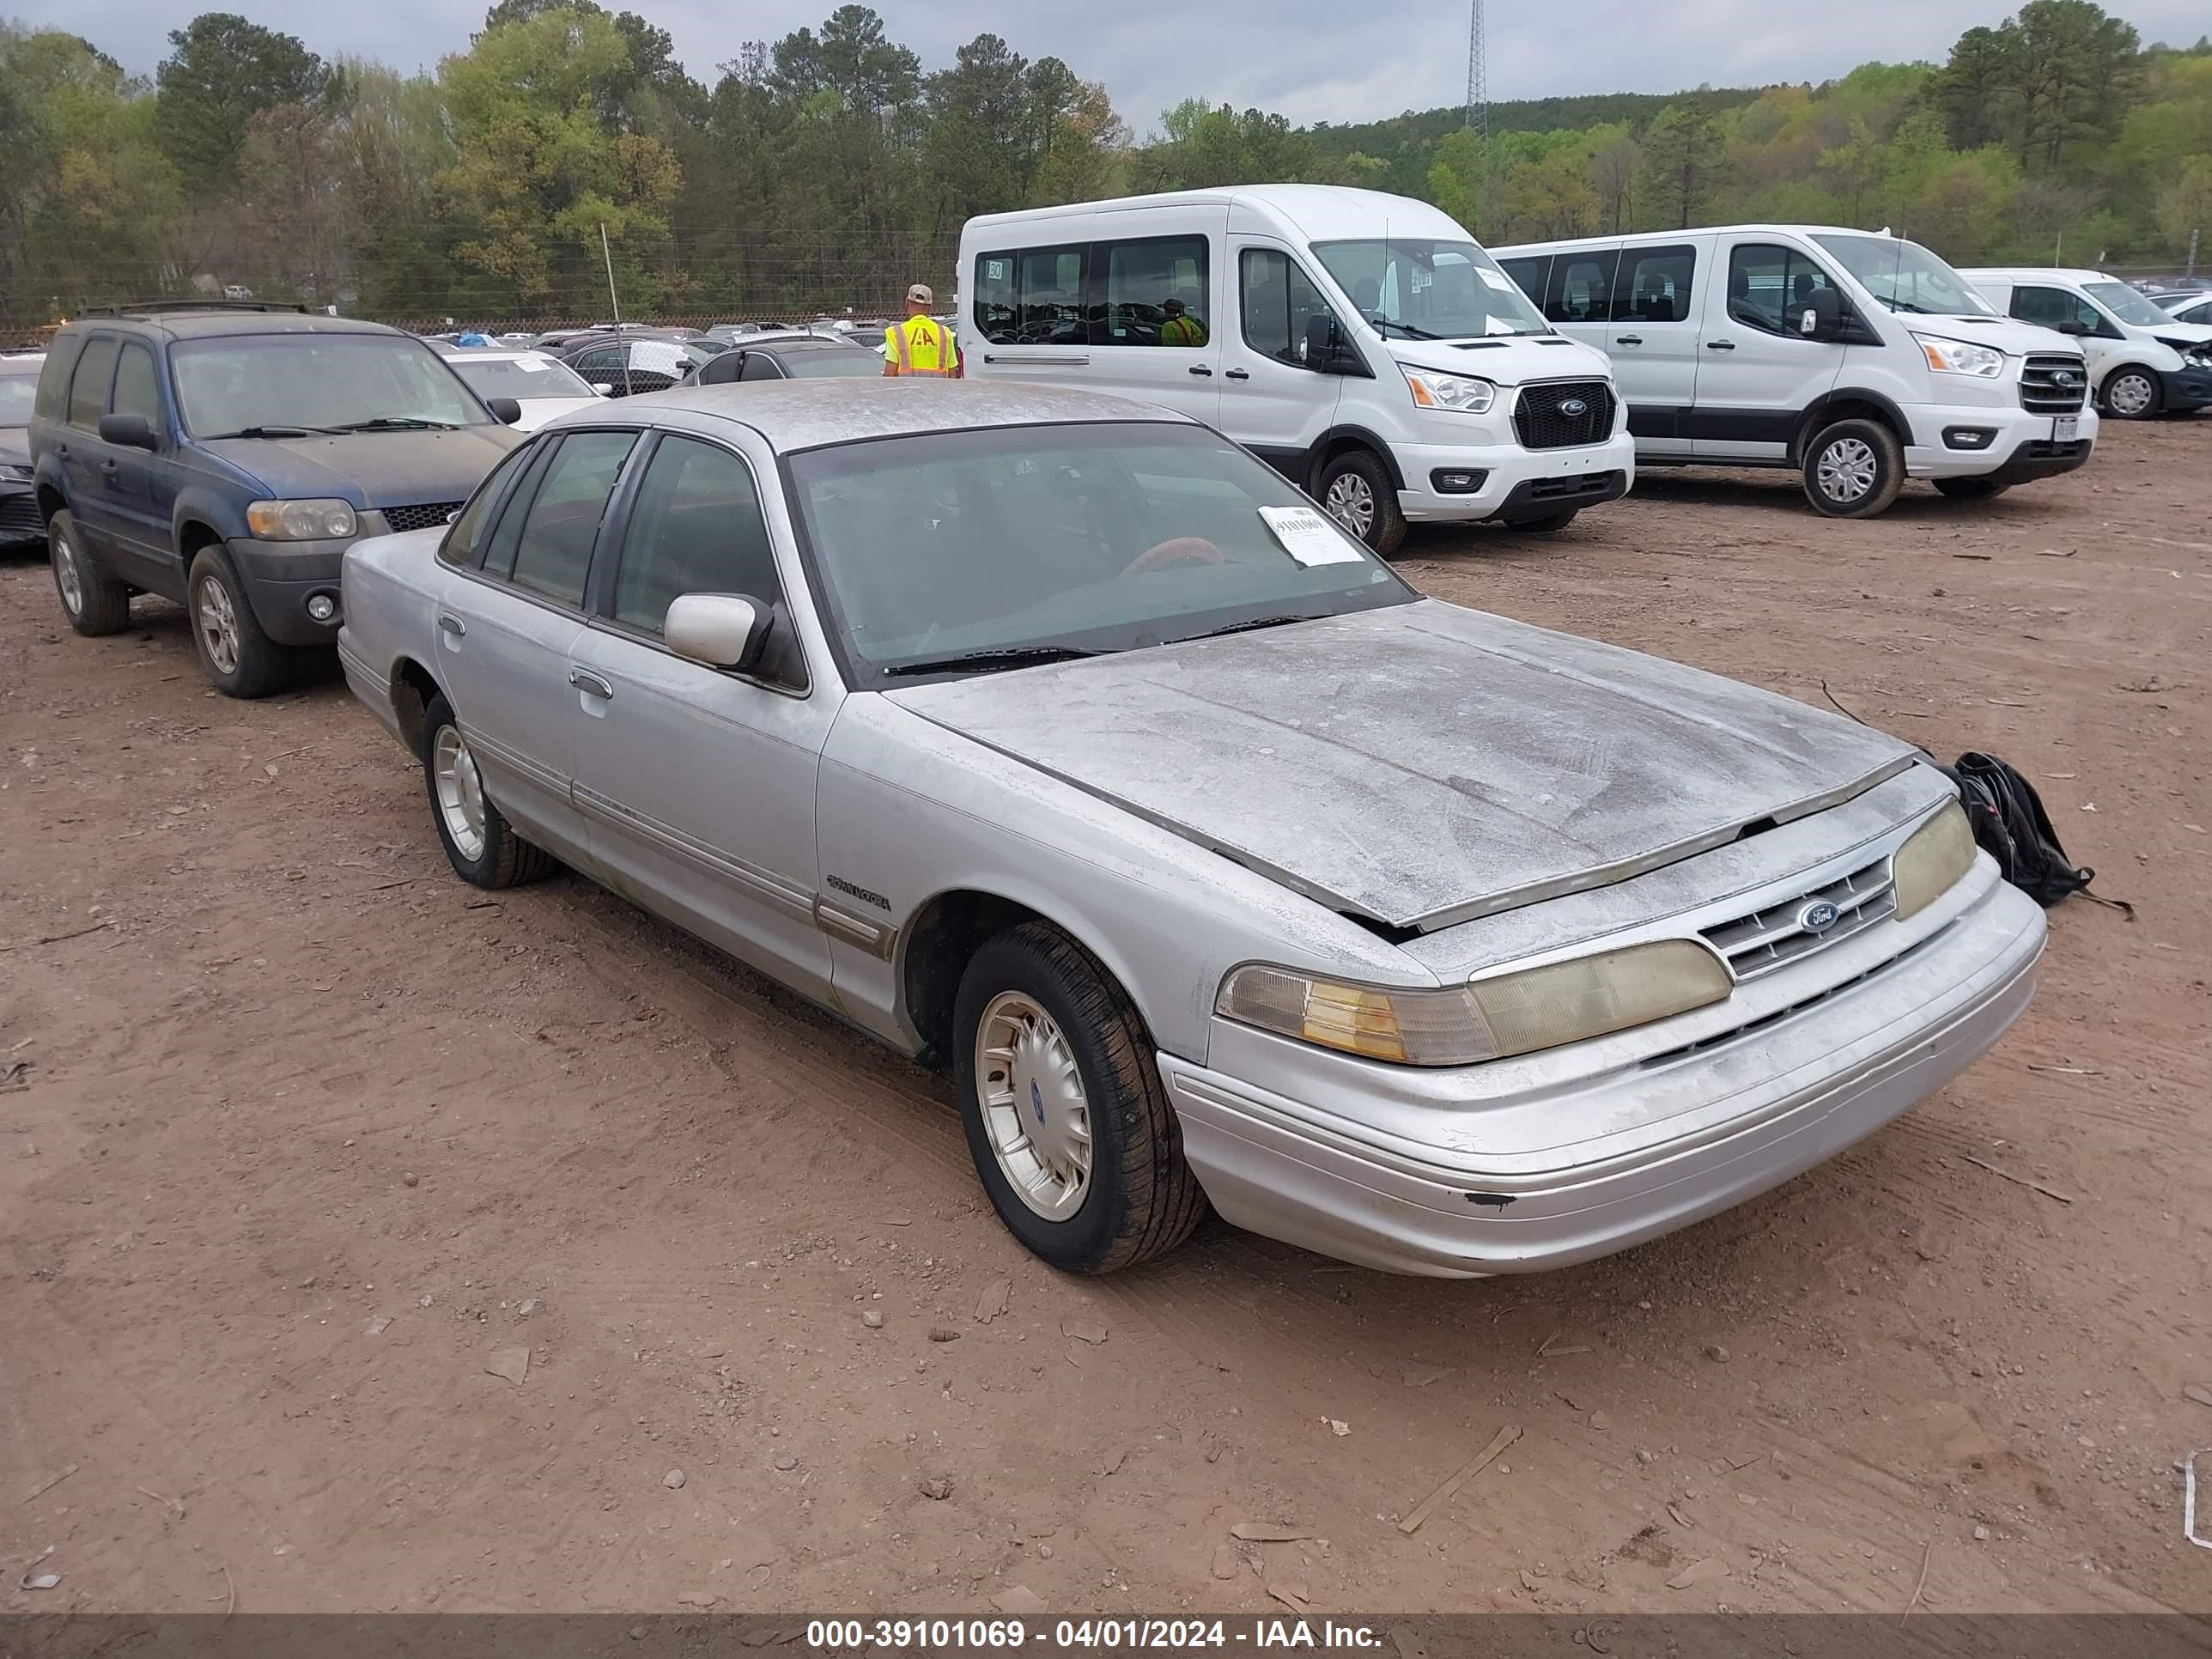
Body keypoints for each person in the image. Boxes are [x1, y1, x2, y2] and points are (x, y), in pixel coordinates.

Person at [883, 284, 960, 377]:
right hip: (938, 391)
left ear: (907, 302)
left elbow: (889, 374)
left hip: (906, 391)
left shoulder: (896, 333)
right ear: (930, 307)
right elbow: (952, 375)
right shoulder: (944, 333)